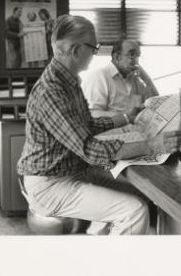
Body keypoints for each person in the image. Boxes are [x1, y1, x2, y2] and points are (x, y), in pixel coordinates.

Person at [17, 15, 159, 235]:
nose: (95, 53)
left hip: (73, 172)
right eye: (93, 47)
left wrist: (125, 118)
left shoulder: (68, 81)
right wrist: (151, 146)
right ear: (75, 50)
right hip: (51, 184)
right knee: (134, 211)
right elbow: (89, 150)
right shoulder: (52, 91)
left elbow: (86, 125)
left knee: (141, 196)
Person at [82, 39, 159, 118]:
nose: (137, 60)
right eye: (132, 55)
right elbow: (92, 113)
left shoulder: (134, 79)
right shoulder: (100, 76)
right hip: (111, 129)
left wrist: (146, 78)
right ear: (117, 57)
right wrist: (126, 117)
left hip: (133, 129)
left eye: (138, 56)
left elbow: (156, 102)